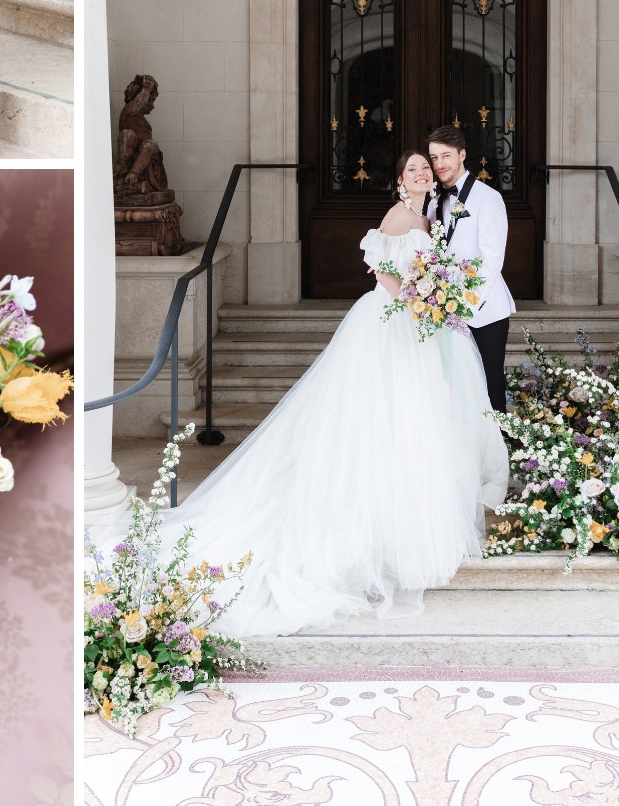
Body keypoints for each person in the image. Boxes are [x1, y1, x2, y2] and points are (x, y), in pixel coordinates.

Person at [159, 149, 509, 639]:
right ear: (400, 177)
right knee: (380, 415)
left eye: (426, 169)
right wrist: (416, 299)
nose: (421, 173)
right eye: (412, 168)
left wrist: (434, 298)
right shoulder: (397, 215)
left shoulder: (430, 216)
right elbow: (382, 270)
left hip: (423, 324)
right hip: (392, 322)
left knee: (420, 421)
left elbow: (436, 266)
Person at [426, 125, 515, 413]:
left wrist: (464, 306)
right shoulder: (435, 198)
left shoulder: (488, 198)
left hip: (484, 311)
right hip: (445, 310)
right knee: (456, 388)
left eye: (446, 156)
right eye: (434, 157)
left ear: (462, 154)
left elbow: (492, 261)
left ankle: (500, 452)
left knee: (489, 385)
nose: (439, 164)